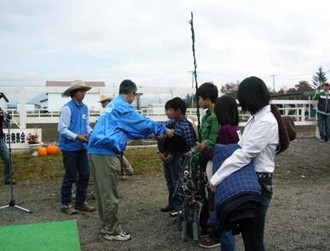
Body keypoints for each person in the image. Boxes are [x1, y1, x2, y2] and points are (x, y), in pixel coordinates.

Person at [88, 79, 174, 242]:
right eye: (134, 95)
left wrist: (150, 135)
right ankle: (113, 230)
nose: (134, 98)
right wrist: (163, 129)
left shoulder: (112, 106)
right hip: (106, 152)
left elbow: (127, 130)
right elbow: (141, 122)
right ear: (131, 93)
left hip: (96, 151)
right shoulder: (122, 106)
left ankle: (107, 225)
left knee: (102, 192)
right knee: (109, 194)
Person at [210, 76, 279, 251]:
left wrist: (216, 178)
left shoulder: (266, 122)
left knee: (254, 241)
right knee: (249, 238)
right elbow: (241, 148)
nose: (242, 103)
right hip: (251, 179)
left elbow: (244, 154)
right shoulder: (255, 119)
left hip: (259, 183)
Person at [197, 95, 239, 250]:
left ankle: (219, 238)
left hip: (220, 176)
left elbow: (219, 156)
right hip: (231, 176)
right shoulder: (234, 129)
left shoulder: (224, 131)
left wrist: (204, 150)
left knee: (218, 209)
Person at [58, 80, 95, 215]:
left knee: (85, 174)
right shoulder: (67, 108)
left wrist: (92, 133)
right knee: (70, 176)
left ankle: (80, 202)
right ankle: (66, 203)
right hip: (69, 147)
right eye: (81, 91)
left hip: (81, 146)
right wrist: (77, 136)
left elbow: (86, 126)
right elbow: (62, 129)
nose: (83, 93)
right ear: (74, 93)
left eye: (84, 91)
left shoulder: (85, 108)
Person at [161, 97, 197, 217]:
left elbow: (190, 147)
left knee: (178, 182)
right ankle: (172, 203)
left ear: (178, 111)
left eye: (170, 110)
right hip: (170, 158)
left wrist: (175, 156)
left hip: (179, 160)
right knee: (170, 181)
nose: (167, 112)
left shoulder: (185, 126)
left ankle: (180, 207)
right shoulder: (173, 123)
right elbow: (163, 127)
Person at [98, 95, 134, 177]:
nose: (103, 104)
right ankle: (125, 170)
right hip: (110, 137)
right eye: (102, 102)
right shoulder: (106, 112)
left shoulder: (113, 111)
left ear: (109, 102)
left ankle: (127, 170)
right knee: (116, 154)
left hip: (116, 137)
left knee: (118, 154)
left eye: (104, 102)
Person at [0, 109, 15, 185]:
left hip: (0, 139)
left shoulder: (1, 113)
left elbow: (8, 125)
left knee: (7, 159)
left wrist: (7, 118)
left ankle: (7, 178)